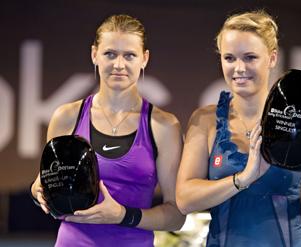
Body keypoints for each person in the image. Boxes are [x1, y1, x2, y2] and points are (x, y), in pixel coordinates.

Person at [176, 10, 301, 247]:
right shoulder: (206, 120)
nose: (239, 68)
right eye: (229, 58)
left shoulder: (299, 119)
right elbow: (184, 199)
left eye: (250, 57)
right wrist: (242, 179)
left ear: (272, 58)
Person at [30, 14, 185, 246]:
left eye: (129, 55)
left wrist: (123, 215)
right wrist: (38, 191)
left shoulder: (164, 126)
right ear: (95, 55)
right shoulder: (66, 117)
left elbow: (176, 216)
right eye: (110, 54)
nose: (119, 64)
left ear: (144, 59)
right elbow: (42, 182)